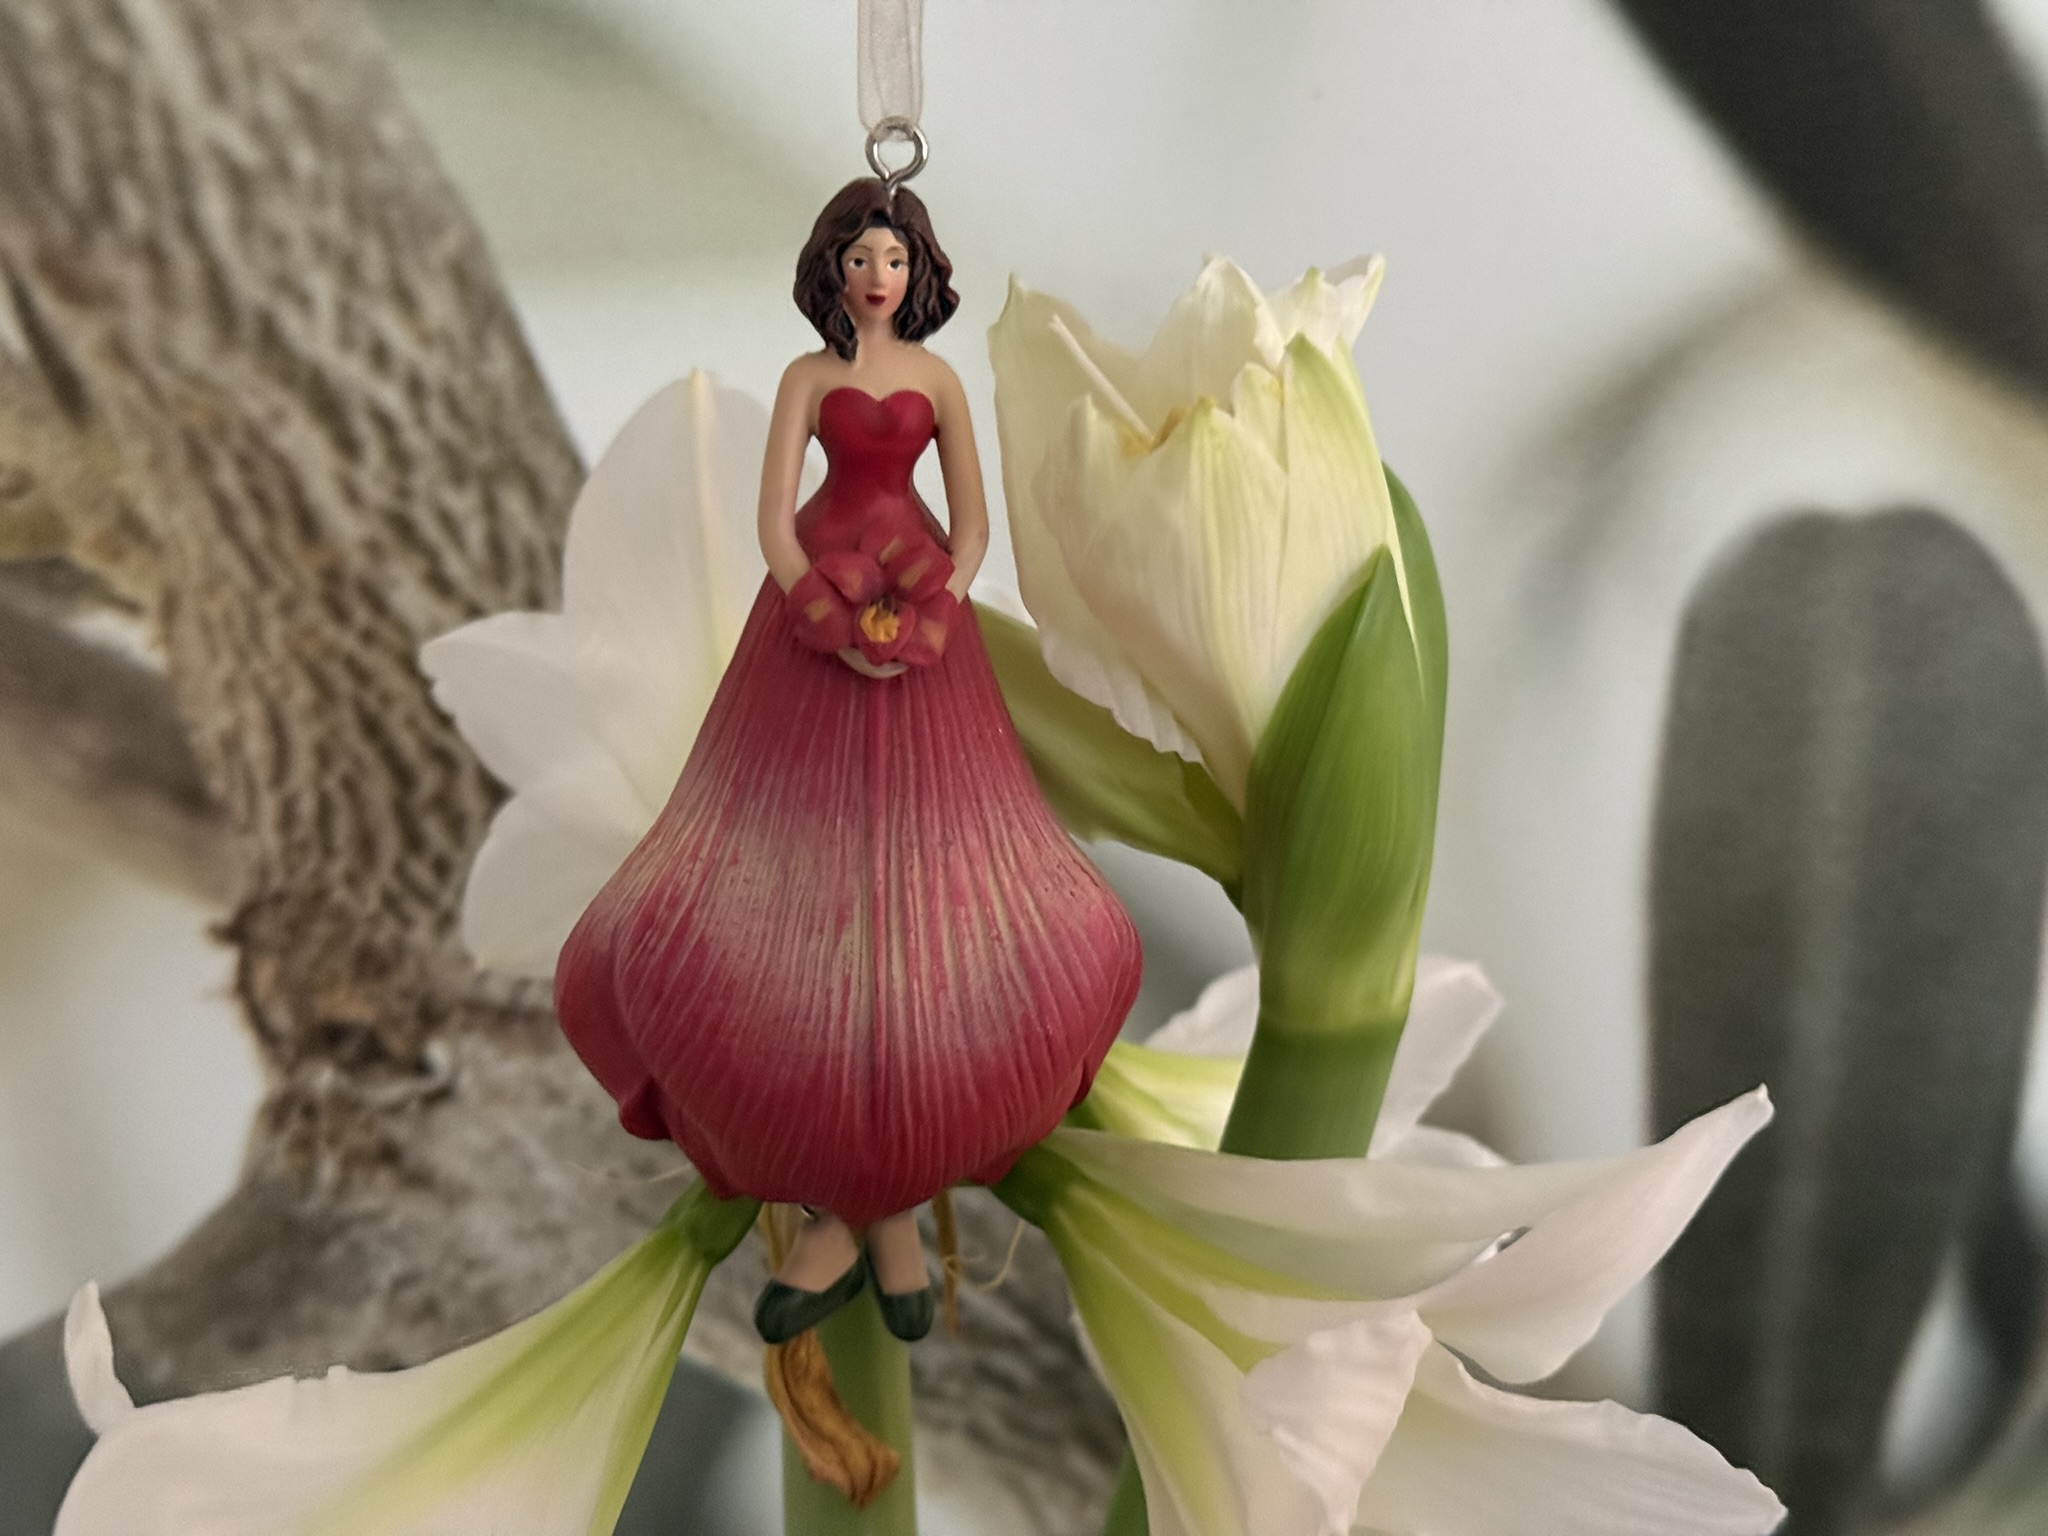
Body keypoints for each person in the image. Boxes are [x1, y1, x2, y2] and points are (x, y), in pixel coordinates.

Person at [552, 177, 1143, 1346]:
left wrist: (934, 604)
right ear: (832, 271)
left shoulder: (937, 381)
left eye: (893, 260)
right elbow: (773, 521)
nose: (877, 277)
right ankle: (868, 1226)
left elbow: (971, 524)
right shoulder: (805, 380)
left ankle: (874, 1223)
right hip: (814, 604)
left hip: (919, 610)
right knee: (794, 917)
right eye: (861, 259)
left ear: (917, 275)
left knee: (939, 898)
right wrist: (816, 609)